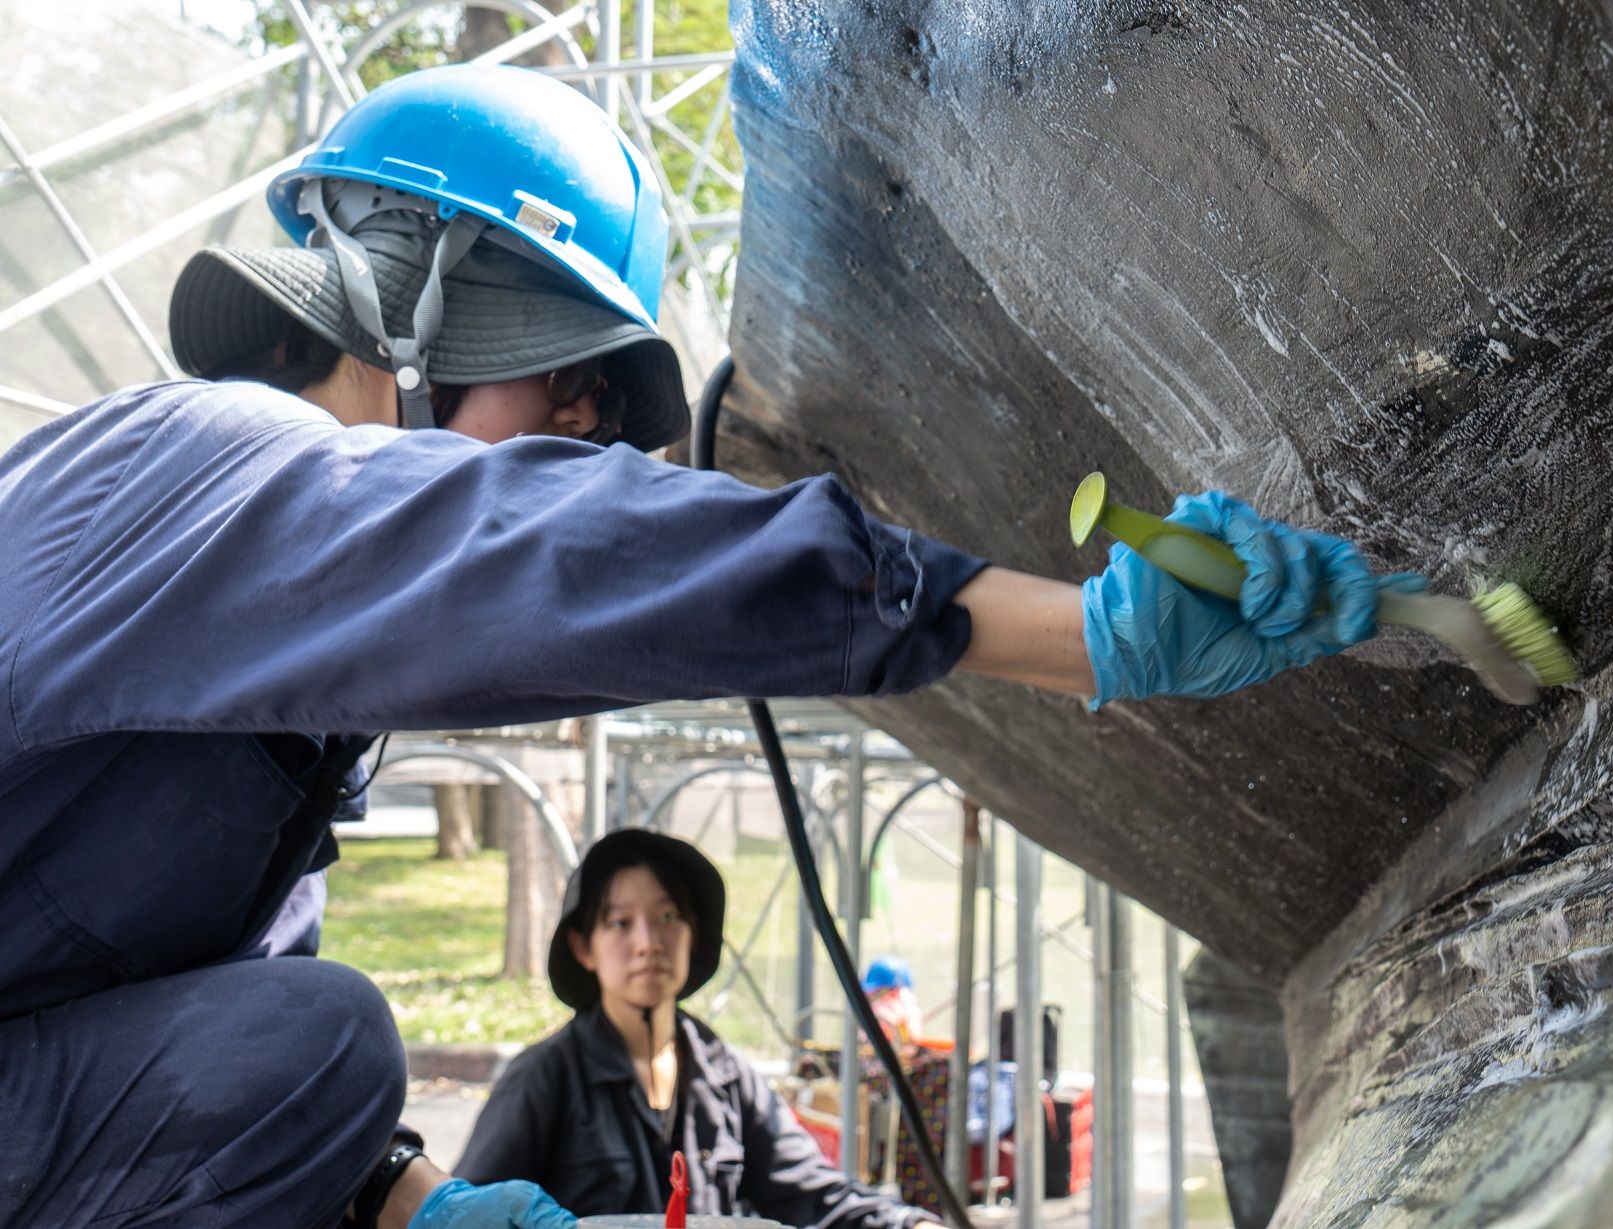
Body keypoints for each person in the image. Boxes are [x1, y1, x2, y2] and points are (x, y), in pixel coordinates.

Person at [0, 62, 1417, 1229]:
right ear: (430, 301)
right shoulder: (216, 460)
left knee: (300, 1038)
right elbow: (535, 551)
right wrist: (1087, 628)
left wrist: (425, 1205)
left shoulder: (275, 692)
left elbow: (217, 1067)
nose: (580, 443)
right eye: (570, 388)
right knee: (329, 1037)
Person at [454, 830, 935, 1226]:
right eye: (620, 923)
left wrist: (909, 1225)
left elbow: (810, 1193)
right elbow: (467, 1215)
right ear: (583, 947)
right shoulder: (544, 1077)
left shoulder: (723, 1074)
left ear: (693, 932)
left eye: (668, 916)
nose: (648, 943)